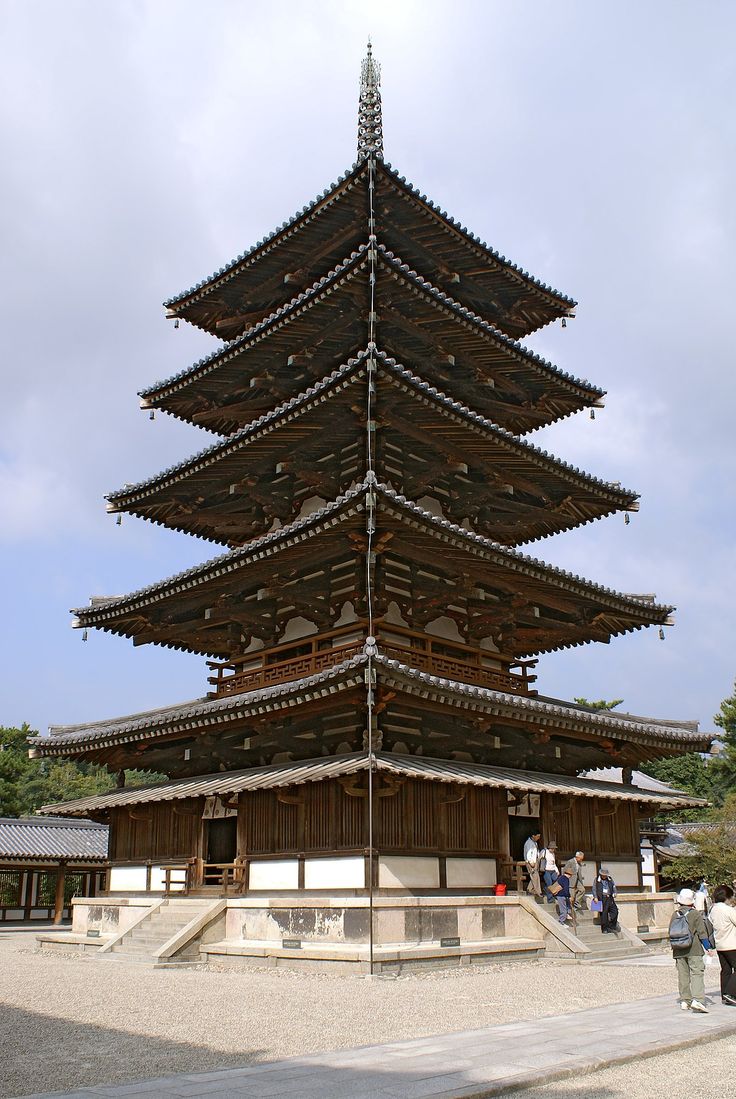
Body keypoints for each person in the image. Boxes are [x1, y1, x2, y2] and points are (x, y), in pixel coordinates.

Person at [670, 887, 714, 1013]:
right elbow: (702, 933)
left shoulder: (675, 914)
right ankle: (698, 1000)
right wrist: (708, 948)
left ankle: (685, 1000)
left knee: (683, 975)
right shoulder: (695, 914)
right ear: (692, 902)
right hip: (693, 948)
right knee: (697, 973)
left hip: (678, 949)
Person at [710, 885, 736, 1006]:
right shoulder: (728, 910)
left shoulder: (713, 909)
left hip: (720, 944)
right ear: (727, 897)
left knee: (725, 970)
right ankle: (730, 993)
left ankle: (724, 995)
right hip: (731, 944)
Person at [592, 866, 618, 933]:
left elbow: (613, 886)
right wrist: (595, 897)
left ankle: (612, 926)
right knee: (604, 913)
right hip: (602, 898)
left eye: (605, 875)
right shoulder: (597, 880)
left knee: (615, 911)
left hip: (610, 897)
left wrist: (615, 892)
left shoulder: (610, 879)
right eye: (603, 875)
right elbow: (594, 889)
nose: (604, 876)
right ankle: (604, 928)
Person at [523, 831, 543, 899]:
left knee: (534, 876)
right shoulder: (529, 843)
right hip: (531, 861)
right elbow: (529, 853)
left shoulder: (535, 843)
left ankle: (529, 889)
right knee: (535, 876)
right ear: (533, 836)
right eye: (537, 836)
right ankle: (538, 892)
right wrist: (531, 862)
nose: (538, 838)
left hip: (535, 861)